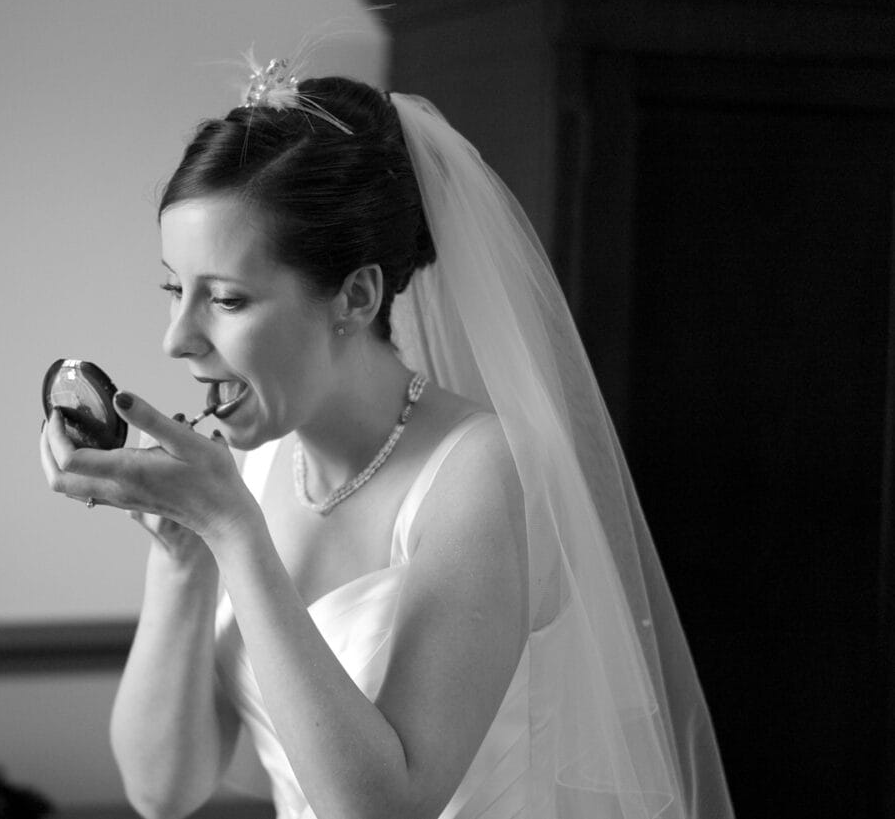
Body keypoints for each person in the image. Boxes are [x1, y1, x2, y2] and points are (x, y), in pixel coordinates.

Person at [40, 57, 733, 819]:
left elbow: (382, 808)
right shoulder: (256, 461)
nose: (177, 339)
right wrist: (179, 555)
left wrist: (233, 530)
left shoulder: (480, 473)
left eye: (227, 299)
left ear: (356, 295)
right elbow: (161, 790)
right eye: (176, 288)